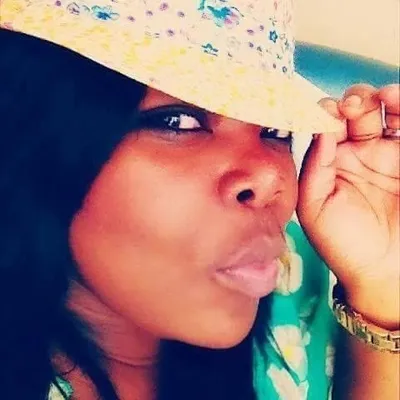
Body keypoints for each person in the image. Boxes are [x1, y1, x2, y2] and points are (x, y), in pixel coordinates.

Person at [0, 0, 399, 399]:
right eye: (178, 122)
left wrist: (381, 287)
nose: (270, 177)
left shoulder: (298, 278)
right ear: (35, 139)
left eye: (275, 130)